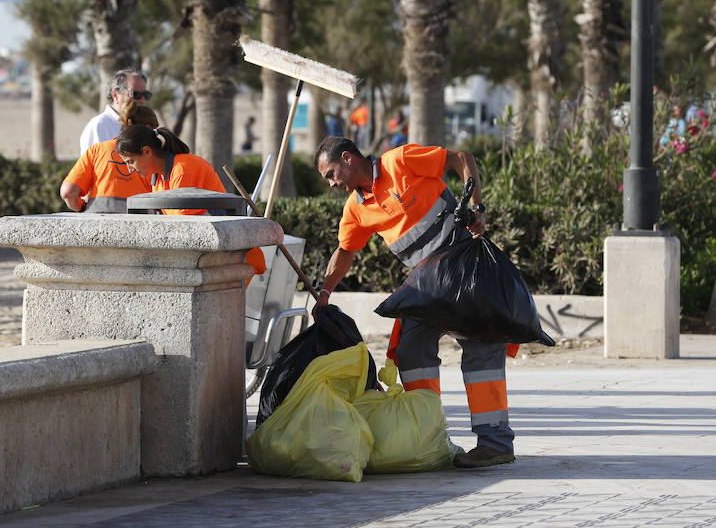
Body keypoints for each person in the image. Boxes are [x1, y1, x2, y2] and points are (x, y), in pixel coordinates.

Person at [311, 136, 515, 469]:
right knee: (410, 352)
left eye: (331, 173)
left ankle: (495, 443)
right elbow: (345, 252)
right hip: (426, 283)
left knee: (482, 348)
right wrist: (324, 293)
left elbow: (462, 158)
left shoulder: (400, 161)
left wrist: (476, 208)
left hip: (464, 268)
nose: (332, 184)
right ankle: (431, 437)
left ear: (348, 158)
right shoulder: (356, 209)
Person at [116, 125, 267, 280]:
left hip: (234, 259)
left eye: (131, 161)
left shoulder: (183, 169)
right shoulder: (158, 179)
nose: (129, 169)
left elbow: (184, 226)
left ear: (147, 151)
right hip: (214, 260)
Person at [60, 101, 156, 213]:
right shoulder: (151, 155)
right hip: (140, 225)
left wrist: (84, 208)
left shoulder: (96, 150)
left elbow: (67, 193)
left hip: (96, 222)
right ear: (147, 128)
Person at [79, 69, 152, 154]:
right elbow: (91, 165)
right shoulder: (99, 126)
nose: (142, 100)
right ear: (115, 95)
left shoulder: (144, 125)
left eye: (146, 95)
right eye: (136, 94)